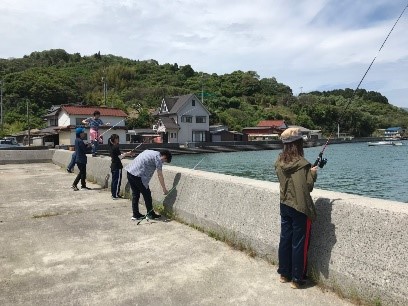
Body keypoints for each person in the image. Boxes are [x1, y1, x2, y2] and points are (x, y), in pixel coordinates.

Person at [274, 127, 318, 289]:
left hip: (285, 204)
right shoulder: (303, 164)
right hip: (299, 208)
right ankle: (297, 279)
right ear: (298, 144)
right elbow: (307, 187)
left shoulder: (279, 162)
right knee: (299, 242)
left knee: (285, 239)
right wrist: (312, 173)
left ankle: (284, 274)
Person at [125, 149, 172, 220]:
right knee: (147, 195)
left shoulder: (149, 151)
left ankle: (135, 214)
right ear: (165, 156)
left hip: (130, 171)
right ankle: (150, 214)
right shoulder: (159, 159)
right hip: (138, 175)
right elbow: (160, 175)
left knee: (135, 194)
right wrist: (164, 189)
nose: (163, 162)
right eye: (164, 161)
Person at [108, 134, 133, 199]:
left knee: (114, 181)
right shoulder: (115, 147)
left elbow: (119, 153)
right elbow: (120, 157)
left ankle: (114, 193)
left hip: (113, 166)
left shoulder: (111, 147)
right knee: (117, 181)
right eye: (117, 138)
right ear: (115, 139)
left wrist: (127, 153)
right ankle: (115, 195)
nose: (118, 140)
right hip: (117, 166)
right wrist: (127, 154)